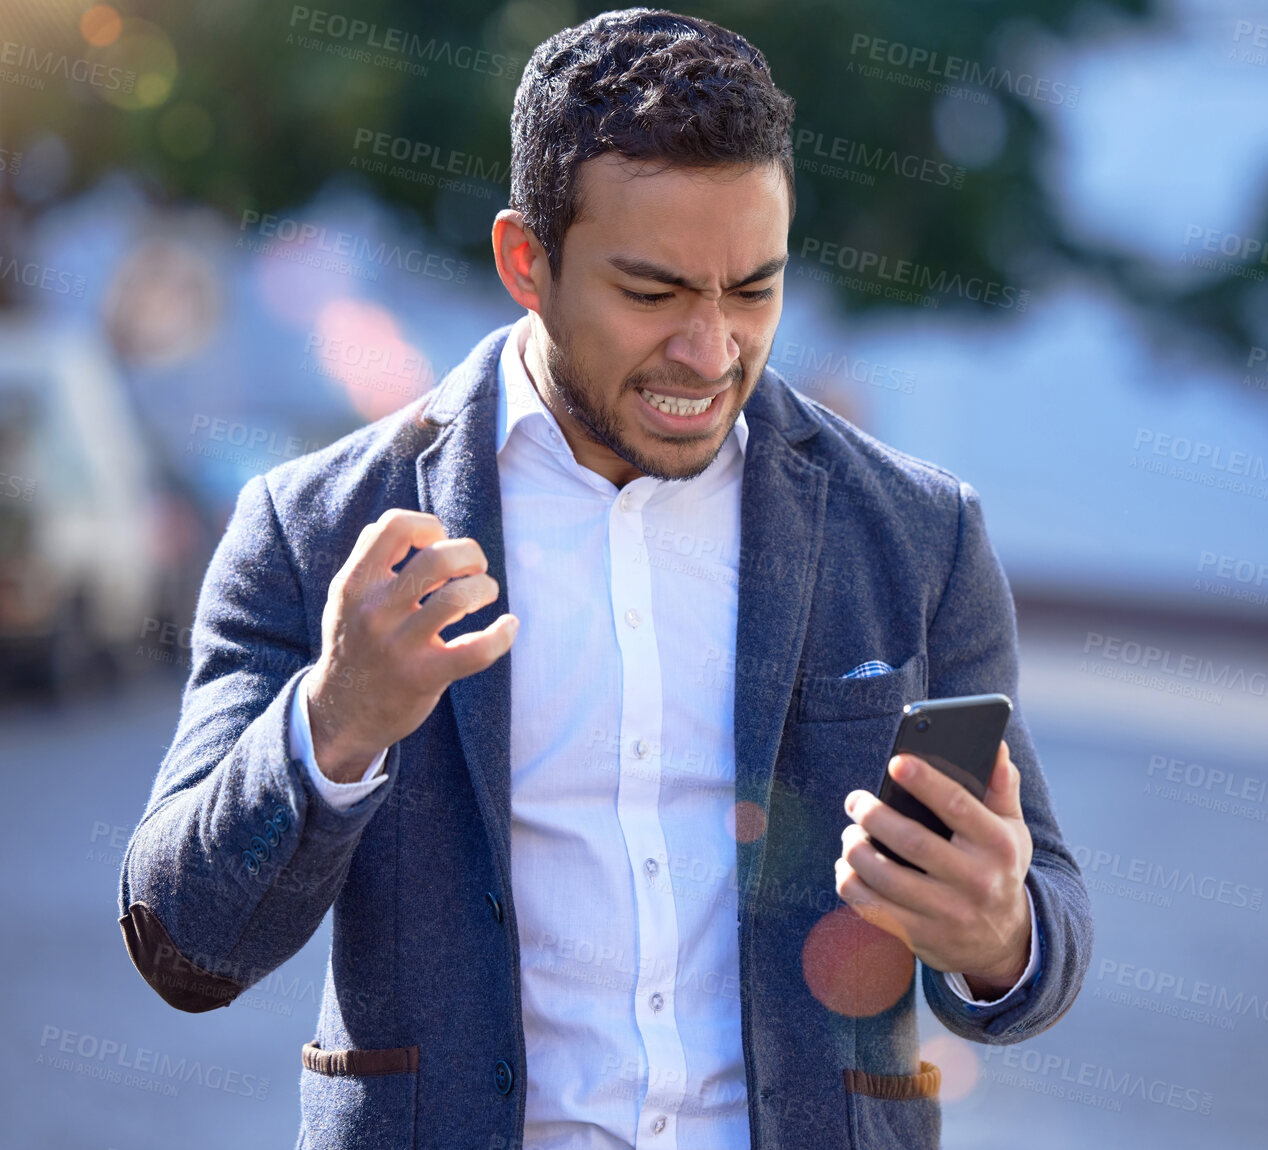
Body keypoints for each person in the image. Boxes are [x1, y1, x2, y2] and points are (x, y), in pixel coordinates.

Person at [117, 9, 1090, 1148]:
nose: (709, 348)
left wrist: (998, 935)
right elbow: (184, 944)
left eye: (753, 289)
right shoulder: (314, 529)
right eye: (654, 292)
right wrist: (333, 727)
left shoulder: (918, 536)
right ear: (526, 261)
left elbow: (1048, 913)